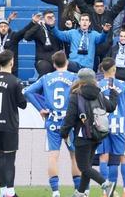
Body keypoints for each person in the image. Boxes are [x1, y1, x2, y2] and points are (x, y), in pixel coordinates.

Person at [23, 51, 80, 197]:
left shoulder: (46, 77)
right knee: (74, 156)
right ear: (67, 62)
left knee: (53, 156)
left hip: (53, 121)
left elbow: (27, 92)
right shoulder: (74, 77)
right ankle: (77, 191)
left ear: (54, 64)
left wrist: (40, 109)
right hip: (69, 121)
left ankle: (55, 192)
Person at [60, 67, 118, 197]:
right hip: (97, 135)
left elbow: (69, 118)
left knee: (83, 167)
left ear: (79, 80)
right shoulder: (99, 94)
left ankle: (106, 184)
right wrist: (114, 92)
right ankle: (81, 193)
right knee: (87, 166)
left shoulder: (75, 96)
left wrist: (63, 133)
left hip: (82, 137)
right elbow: (111, 107)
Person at [0, 50, 27, 197]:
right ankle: (10, 192)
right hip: (9, 125)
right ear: (12, 62)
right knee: (9, 160)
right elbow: (23, 104)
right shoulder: (16, 81)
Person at [97, 58, 125, 197]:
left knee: (104, 157)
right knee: (123, 156)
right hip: (118, 125)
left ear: (102, 69)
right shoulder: (123, 85)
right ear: (114, 69)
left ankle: (106, 191)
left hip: (101, 125)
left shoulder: (97, 85)